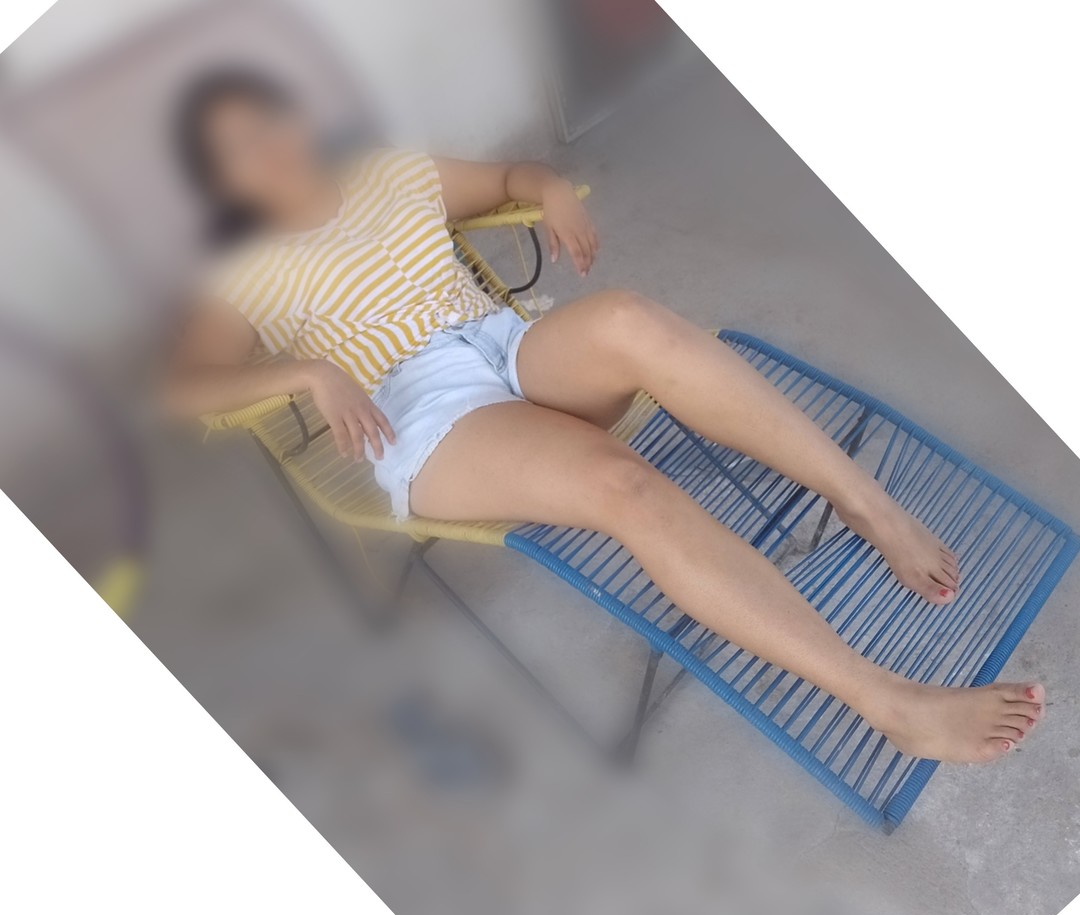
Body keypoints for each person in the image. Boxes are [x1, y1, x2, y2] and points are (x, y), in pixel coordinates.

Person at [166, 70, 1043, 764]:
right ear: (222, 181)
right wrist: (310, 369)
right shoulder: (242, 270)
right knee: (623, 484)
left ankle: (865, 504)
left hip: (505, 342)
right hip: (424, 414)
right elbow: (181, 385)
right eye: (238, 149)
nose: (267, 150)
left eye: (268, 122)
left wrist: (550, 188)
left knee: (628, 318)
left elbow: (509, 177)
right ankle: (886, 702)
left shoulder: (386, 173)